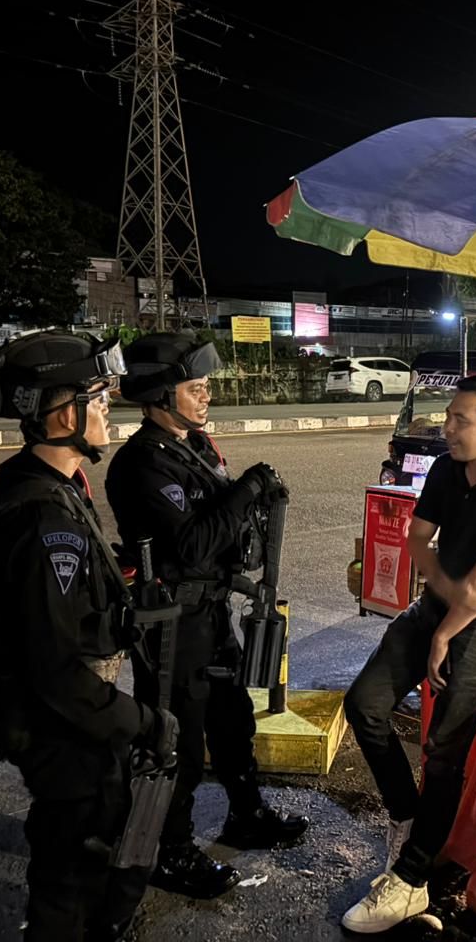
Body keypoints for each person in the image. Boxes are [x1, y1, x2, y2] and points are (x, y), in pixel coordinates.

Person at [0, 330, 175, 941]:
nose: (109, 408)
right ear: (64, 414)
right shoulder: (43, 519)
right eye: (99, 397)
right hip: (62, 727)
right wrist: (141, 721)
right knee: (69, 872)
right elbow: (57, 668)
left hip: (68, 719)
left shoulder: (47, 483)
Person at [341, 374, 476, 934]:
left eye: (460, 420)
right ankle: (411, 819)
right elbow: (416, 539)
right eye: (448, 416)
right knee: (365, 704)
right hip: (440, 609)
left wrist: (449, 621)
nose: (446, 428)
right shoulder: (444, 469)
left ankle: (412, 880)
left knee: (443, 752)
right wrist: (444, 602)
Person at [105, 333, 308, 901]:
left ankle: (246, 815)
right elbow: (193, 544)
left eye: (206, 387)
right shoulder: (140, 464)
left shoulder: (192, 447)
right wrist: (247, 490)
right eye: (196, 389)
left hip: (210, 615)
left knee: (232, 720)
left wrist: (251, 499)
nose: (206, 397)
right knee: (180, 745)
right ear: (161, 395)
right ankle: (168, 851)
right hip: (172, 629)